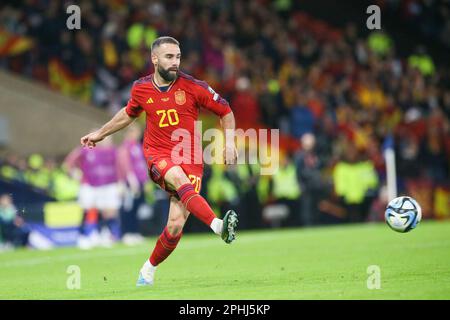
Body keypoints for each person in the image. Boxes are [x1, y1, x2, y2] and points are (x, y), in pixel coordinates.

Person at [79, 36, 239, 286]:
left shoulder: (193, 86)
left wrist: (229, 143)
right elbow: (128, 114)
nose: (175, 62)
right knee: (176, 176)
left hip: (191, 158)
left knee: (175, 226)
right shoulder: (141, 88)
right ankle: (218, 225)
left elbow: (226, 110)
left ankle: (148, 269)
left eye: (178, 57)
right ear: (154, 59)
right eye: (169, 57)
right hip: (158, 154)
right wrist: (100, 133)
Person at [64, 136, 122, 249]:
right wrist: (73, 173)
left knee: (106, 210)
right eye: (105, 139)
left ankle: (102, 234)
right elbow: (69, 162)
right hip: (89, 184)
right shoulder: (85, 150)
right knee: (88, 209)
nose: (108, 141)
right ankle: (82, 236)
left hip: (107, 185)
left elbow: (118, 167)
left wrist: (120, 182)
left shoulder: (112, 151)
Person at [117, 124, 148, 245]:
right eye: (135, 132)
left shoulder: (138, 146)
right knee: (128, 208)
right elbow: (126, 165)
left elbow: (141, 165)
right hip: (130, 183)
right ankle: (127, 233)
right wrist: (132, 181)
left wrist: (145, 181)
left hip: (140, 182)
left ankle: (135, 232)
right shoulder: (125, 147)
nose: (138, 135)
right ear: (129, 133)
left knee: (136, 208)